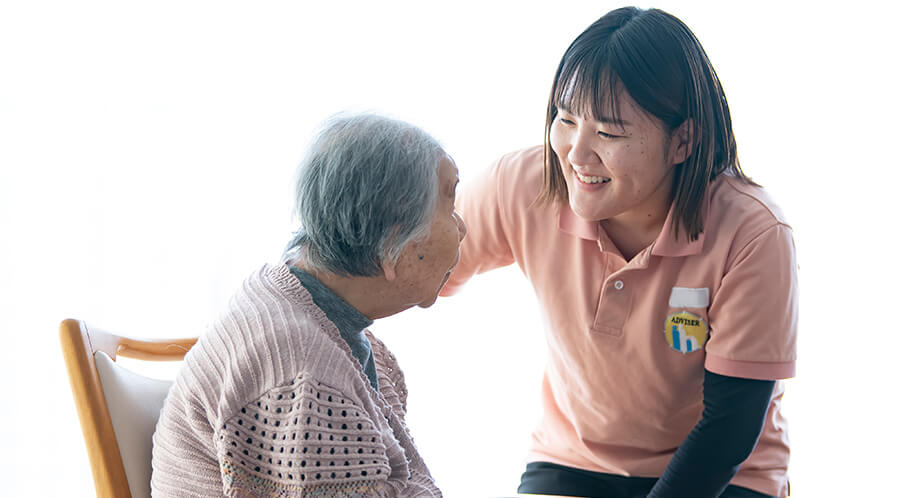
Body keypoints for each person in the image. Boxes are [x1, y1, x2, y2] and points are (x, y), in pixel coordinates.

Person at [441, 7, 797, 498]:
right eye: (565, 120)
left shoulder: (753, 233)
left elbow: (730, 427)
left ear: (683, 140)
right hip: (574, 459)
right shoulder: (523, 185)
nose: (576, 154)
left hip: (727, 473)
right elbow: (409, 270)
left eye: (609, 133)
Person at [152, 113, 466, 497]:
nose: (462, 228)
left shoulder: (293, 298)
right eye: (449, 206)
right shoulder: (305, 384)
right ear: (393, 244)